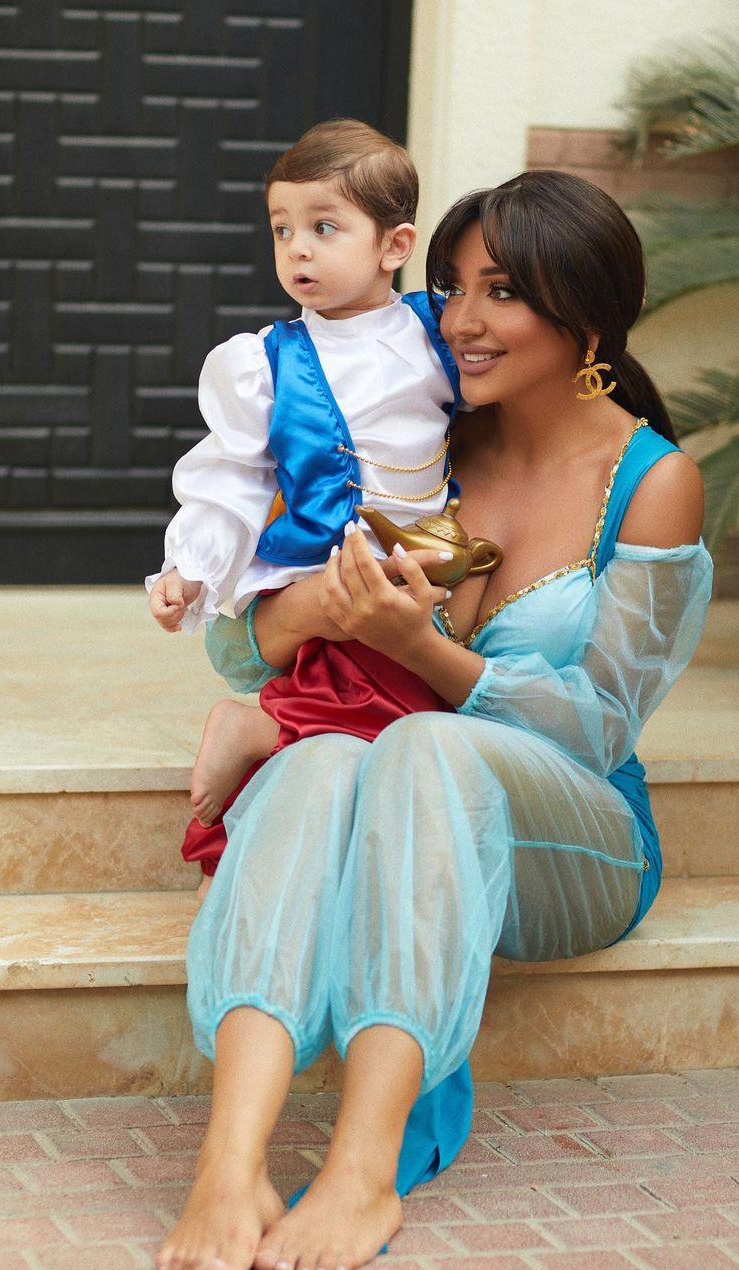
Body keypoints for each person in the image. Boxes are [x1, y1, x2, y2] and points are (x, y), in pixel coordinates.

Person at [155, 169, 713, 1270]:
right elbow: (242, 643)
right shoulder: (421, 441)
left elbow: (599, 727)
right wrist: (321, 609)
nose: (458, 319)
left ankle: (366, 1168)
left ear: (586, 316)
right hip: (393, 783)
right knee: (320, 762)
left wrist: (426, 652)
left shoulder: (652, 482)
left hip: (574, 835)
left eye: (501, 292)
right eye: (452, 286)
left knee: (421, 742)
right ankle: (231, 1162)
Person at [145, 119, 462, 849]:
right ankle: (258, 727)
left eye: (324, 227)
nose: (297, 249)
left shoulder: (439, 332)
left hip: (425, 553)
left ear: (395, 246)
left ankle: (267, 729)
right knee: (379, 671)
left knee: (423, 702)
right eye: (282, 229)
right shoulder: (265, 362)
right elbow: (233, 477)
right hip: (317, 564)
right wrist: (190, 569)